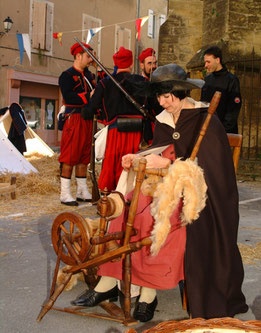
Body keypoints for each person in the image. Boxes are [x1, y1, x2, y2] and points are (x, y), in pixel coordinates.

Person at [72, 63, 248, 322]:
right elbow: (159, 150)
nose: (163, 102)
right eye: (159, 96)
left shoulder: (204, 118)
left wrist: (168, 164)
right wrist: (138, 158)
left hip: (197, 196)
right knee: (124, 211)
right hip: (164, 187)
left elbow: (211, 169)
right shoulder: (164, 120)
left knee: (150, 218)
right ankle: (107, 283)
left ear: (182, 93)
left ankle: (148, 294)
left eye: (168, 96)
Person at [82, 47, 146, 192]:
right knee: (132, 166)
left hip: (115, 131)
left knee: (113, 165)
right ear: (131, 64)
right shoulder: (141, 81)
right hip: (137, 132)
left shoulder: (105, 83)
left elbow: (89, 111)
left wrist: (88, 107)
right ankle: (129, 198)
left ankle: (109, 199)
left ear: (115, 63)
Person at [58, 42, 95, 206]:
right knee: (69, 156)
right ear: (78, 56)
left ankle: (82, 190)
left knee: (83, 157)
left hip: (87, 119)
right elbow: (69, 96)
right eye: (88, 56)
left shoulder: (90, 76)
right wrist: (89, 95)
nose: (90, 60)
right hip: (74, 119)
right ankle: (65, 193)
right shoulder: (66, 75)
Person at [201, 45, 242, 133]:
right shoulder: (207, 80)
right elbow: (203, 105)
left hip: (225, 132)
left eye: (208, 62)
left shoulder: (232, 80)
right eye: (205, 62)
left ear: (217, 60)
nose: (205, 65)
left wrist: (223, 130)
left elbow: (233, 110)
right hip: (207, 130)